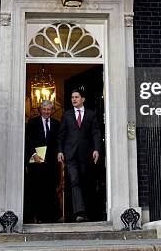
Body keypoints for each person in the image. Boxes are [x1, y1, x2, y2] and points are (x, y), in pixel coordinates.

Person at [57, 88, 101, 222]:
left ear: (83, 99)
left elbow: (95, 133)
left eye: (76, 97)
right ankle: (79, 212)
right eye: (72, 97)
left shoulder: (91, 114)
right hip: (70, 154)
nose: (73, 99)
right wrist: (60, 151)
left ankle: (88, 211)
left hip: (86, 154)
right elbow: (61, 135)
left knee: (85, 182)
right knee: (74, 181)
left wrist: (96, 149)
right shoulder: (67, 114)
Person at [25, 100, 61, 223]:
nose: (46, 112)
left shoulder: (56, 123)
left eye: (49, 109)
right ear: (40, 110)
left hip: (51, 163)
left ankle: (50, 217)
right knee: (37, 190)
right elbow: (28, 140)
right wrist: (33, 154)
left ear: (52, 110)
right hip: (37, 162)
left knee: (50, 189)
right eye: (44, 109)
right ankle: (38, 217)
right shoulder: (33, 122)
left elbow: (59, 141)